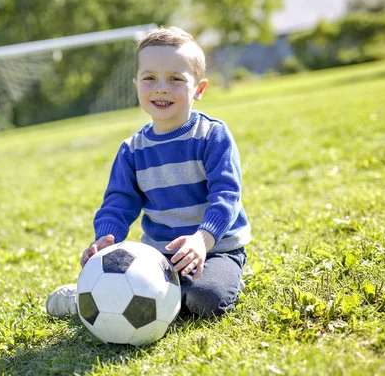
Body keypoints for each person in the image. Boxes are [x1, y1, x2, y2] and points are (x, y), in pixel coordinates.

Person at [47, 26, 250, 318]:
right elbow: (117, 204)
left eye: (176, 79)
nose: (161, 88)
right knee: (132, 290)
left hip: (214, 248)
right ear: (137, 85)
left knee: (205, 299)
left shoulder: (212, 136)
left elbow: (227, 196)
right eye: (150, 78)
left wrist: (202, 239)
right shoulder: (132, 150)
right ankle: (86, 298)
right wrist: (106, 241)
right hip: (159, 255)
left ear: (199, 89)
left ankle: (212, 282)